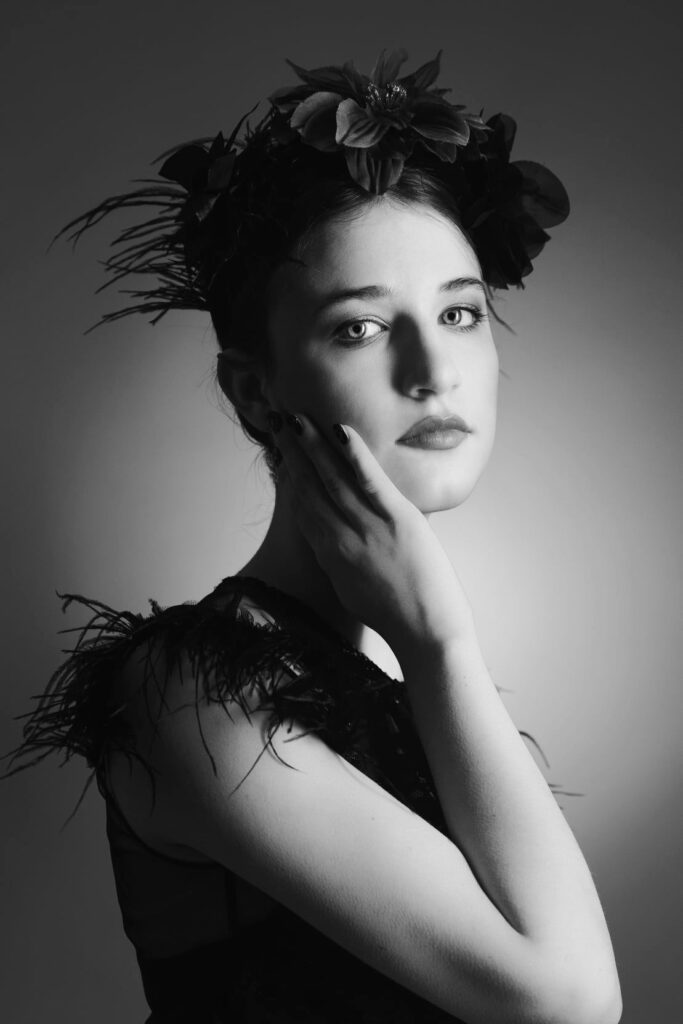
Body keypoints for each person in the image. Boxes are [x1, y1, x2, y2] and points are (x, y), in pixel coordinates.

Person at [3, 49, 622, 1024]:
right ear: (255, 390)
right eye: (360, 329)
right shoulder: (190, 692)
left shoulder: (379, 677)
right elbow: (566, 1005)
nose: (432, 371)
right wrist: (437, 640)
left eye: (458, 312)